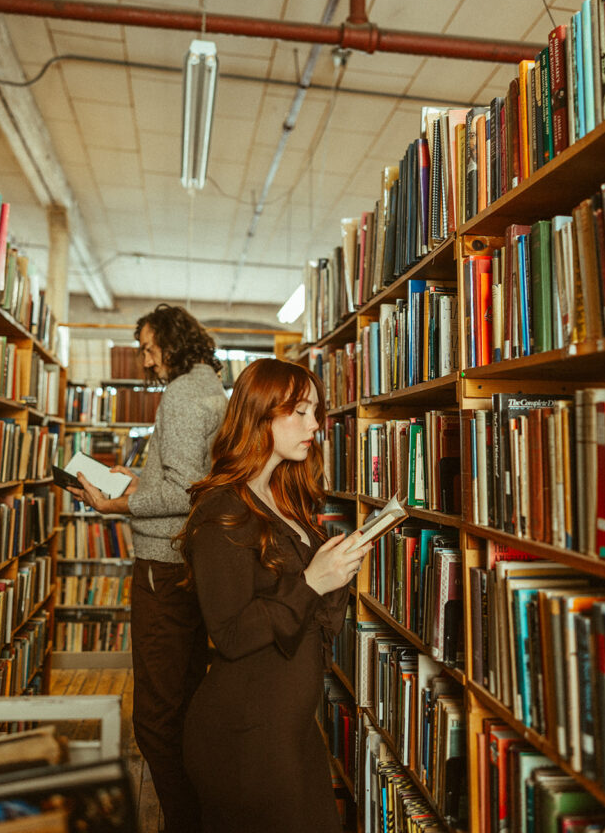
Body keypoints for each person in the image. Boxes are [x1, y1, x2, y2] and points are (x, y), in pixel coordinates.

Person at [176, 358, 369, 833]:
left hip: (291, 729)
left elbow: (316, 626)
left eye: (316, 412)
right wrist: (312, 583)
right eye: (300, 412)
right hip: (243, 737)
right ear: (261, 415)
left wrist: (338, 573)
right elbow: (231, 635)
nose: (315, 425)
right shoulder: (221, 511)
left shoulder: (284, 505)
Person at [68, 304, 227, 833]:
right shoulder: (210, 387)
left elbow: (186, 489)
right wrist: (136, 476)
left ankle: (187, 821)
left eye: (148, 346)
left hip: (163, 563)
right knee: (184, 699)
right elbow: (189, 473)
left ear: (173, 342)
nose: (144, 358)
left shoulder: (182, 395)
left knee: (155, 720)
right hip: (188, 560)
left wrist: (121, 504)